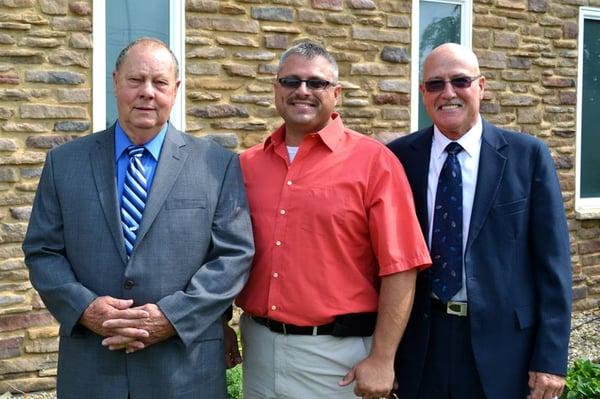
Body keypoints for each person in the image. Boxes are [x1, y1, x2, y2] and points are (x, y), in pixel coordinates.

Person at [22, 37, 254, 399]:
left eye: (159, 82)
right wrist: (85, 308)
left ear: (175, 89)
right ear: (115, 81)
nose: (147, 92)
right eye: (135, 80)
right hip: (93, 368)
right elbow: (42, 252)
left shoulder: (217, 164)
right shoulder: (64, 163)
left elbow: (233, 256)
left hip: (184, 371)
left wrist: (171, 317)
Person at [225, 42, 431, 399]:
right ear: (276, 89)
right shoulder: (247, 165)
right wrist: (220, 324)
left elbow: (401, 267)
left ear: (336, 93)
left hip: (338, 360)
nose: (302, 90)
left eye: (316, 83)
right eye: (291, 81)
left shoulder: (374, 163)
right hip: (259, 348)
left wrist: (383, 358)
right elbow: (226, 254)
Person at [388, 43, 572, 399]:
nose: (449, 92)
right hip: (421, 344)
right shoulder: (398, 157)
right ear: (423, 93)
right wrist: (382, 353)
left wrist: (550, 358)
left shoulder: (527, 156)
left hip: (505, 348)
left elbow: (553, 264)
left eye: (460, 81)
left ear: (481, 86)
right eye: (436, 84)